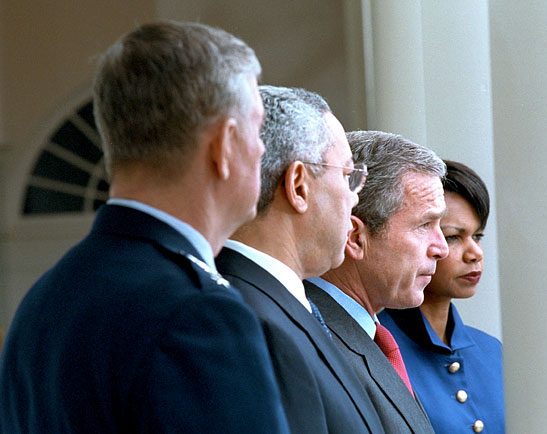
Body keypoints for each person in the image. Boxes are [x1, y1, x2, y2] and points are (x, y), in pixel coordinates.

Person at [0, 21, 290, 434]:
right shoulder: (198, 313)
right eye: (257, 129)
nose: (261, 149)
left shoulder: (42, 303)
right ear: (223, 145)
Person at [216, 86, 385, 434]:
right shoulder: (248, 320)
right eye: (348, 175)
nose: (355, 200)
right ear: (298, 186)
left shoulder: (275, 304)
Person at [305, 130, 448, 433]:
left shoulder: (365, 334)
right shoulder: (310, 340)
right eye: (424, 225)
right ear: (354, 237)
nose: (442, 248)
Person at [379, 160, 505, 434]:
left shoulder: (491, 351)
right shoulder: (377, 346)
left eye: (478, 236)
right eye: (453, 237)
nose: (475, 254)